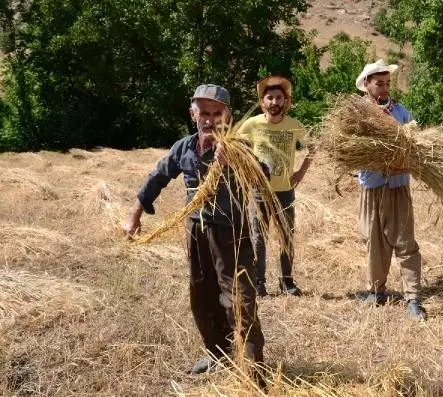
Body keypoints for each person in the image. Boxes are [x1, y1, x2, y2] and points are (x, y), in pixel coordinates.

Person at [122, 84, 266, 373]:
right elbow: (158, 177)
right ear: (193, 113)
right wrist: (135, 214)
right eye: (204, 113)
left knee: (239, 298)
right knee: (202, 294)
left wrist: (237, 160)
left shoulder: (239, 147)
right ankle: (218, 354)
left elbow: (263, 176)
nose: (210, 119)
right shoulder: (184, 147)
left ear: (228, 116)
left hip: (230, 232)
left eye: (217, 113)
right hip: (196, 230)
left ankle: (253, 369)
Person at [355, 59, 427, 320]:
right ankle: (376, 291)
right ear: (367, 85)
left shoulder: (402, 113)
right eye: (379, 83)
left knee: (405, 242)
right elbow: (353, 152)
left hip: (398, 187)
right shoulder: (357, 115)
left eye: (387, 83)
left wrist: (399, 165)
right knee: (374, 241)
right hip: (372, 187)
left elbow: (416, 146)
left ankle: (413, 297)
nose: (384, 88)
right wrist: (379, 163)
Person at [237, 76, 314, 297]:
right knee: (258, 237)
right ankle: (259, 283)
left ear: (286, 101)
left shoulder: (294, 126)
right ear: (263, 102)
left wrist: (300, 172)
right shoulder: (251, 124)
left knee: (286, 237)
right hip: (259, 191)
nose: (274, 102)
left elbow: (314, 147)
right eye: (269, 98)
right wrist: (249, 170)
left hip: (285, 192)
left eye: (279, 98)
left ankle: (287, 282)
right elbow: (239, 150)